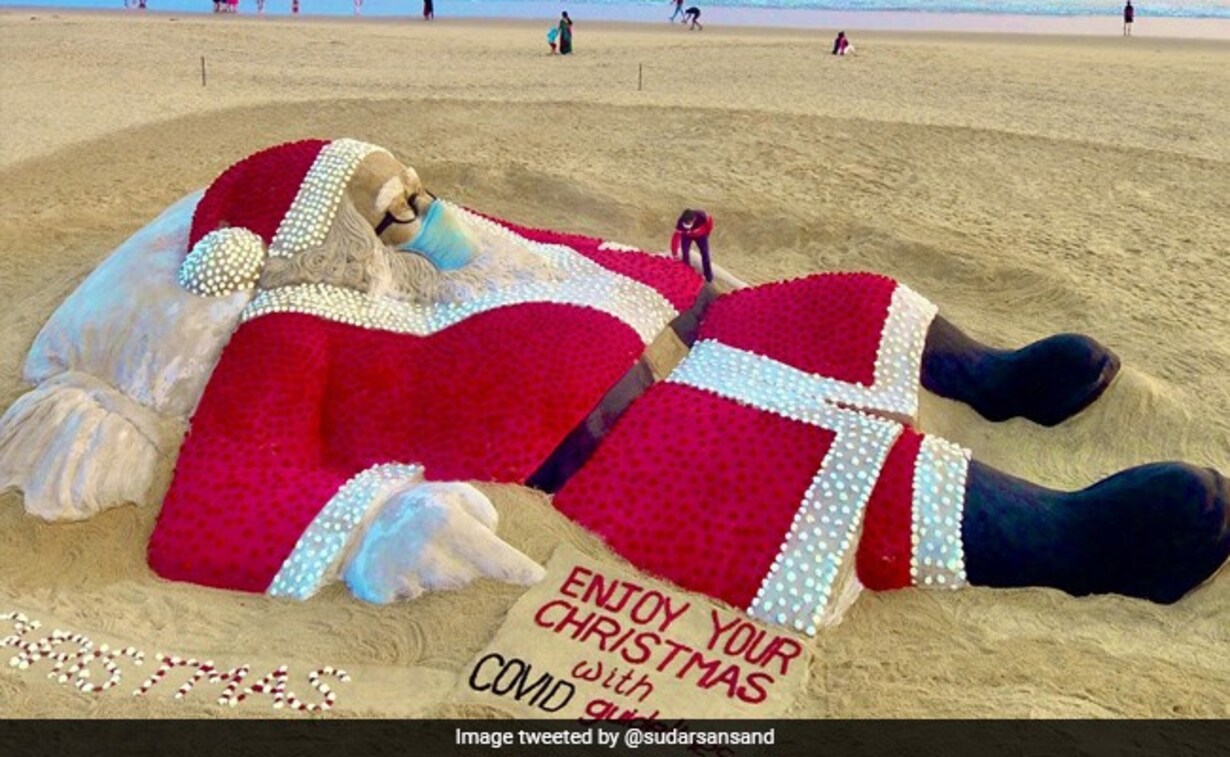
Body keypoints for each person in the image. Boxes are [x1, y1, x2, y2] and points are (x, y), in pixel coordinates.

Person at [2, 139, 1226, 628]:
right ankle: (1071, 538)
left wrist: (676, 278)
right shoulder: (289, 339)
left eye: (411, 192)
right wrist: (381, 530)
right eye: (389, 209)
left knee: (842, 306)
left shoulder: (454, 245)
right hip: (614, 444)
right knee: (802, 472)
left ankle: (991, 377)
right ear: (315, 235)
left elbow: (551, 248)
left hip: (689, 328)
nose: (423, 215)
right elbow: (224, 500)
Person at [671, 208, 714, 283]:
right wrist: (675, 254)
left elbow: (709, 222)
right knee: (685, 253)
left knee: (705, 254)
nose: (687, 225)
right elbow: (675, 238)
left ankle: (708, 276)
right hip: (687, 236)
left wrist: (707, 233)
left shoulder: (701, 216)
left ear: (694, 219)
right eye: (686, 223)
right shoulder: (680, 223)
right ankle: (686, 273)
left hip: (701, 235)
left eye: (689, 223)